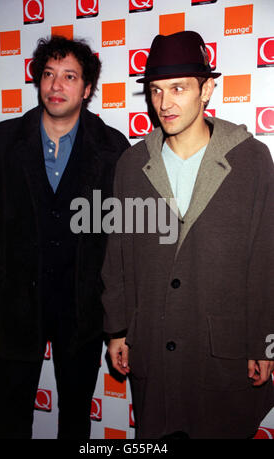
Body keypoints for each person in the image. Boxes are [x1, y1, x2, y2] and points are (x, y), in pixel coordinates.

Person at [102, 31, 274, 439]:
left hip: (222, 350)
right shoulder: (132, 164)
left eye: (178, 88)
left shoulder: (250, 159)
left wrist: (264, 343)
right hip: (154, 345)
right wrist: (117, 329)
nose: (165, 103)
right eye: (157, 90)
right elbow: (118, 255)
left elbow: (266, 258)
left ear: (207, 89)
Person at [0, 35, 129, 439]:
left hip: (83, 309)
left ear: (87, 88)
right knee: (7, 416)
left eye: (69, 76)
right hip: (14, 303)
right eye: (48, 74)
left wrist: (118, 319)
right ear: (38, 81)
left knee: (77, 417)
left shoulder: (113, 148)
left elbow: (119, 243)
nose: (56, 85)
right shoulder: (2, 142)